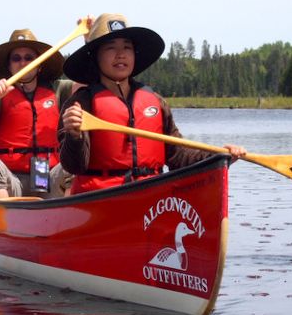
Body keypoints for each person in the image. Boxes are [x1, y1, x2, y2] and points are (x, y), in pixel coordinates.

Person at [59, 13, 245, 195]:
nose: (121, 54)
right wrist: (74, 135)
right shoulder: (79, 104)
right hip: (100, 198)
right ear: (96, 57)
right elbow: (74, 165)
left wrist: (220, 156)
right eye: (110, 48)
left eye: (127, 47)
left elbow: (178, 156)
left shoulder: (156, 101)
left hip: (152, 196)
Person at [0, 28, 72, 199]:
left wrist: (88, 38)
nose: (23, 62)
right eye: (16, 58)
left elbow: (89, 85)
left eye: (29, 58)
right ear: (9, 66)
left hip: (43, 174)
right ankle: (3, 222)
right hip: (9, 178)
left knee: (74, 165)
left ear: (39, 65)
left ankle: (68, 220)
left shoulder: (58, 89)